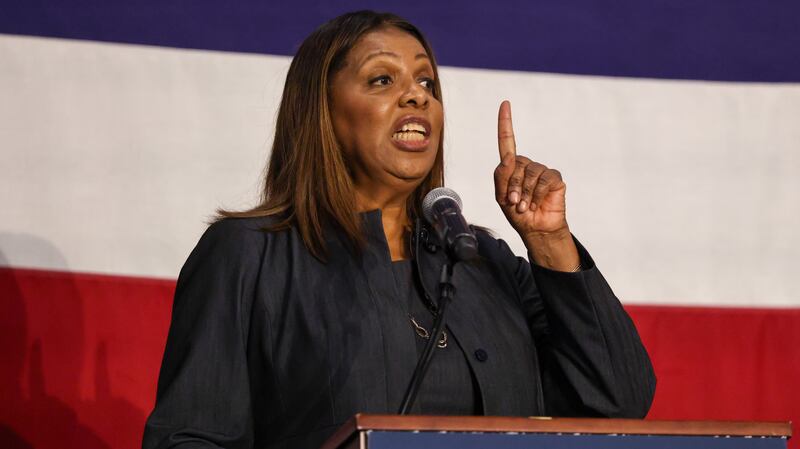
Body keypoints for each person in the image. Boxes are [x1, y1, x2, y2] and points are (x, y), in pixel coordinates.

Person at [142, 10, 656, 449]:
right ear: (322, 110)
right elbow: (189, 437)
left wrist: (548, 239)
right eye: (382, 80)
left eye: (426, 83)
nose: (417, 98)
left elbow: (617, 403)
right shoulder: (251, 255)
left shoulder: (484, 261)